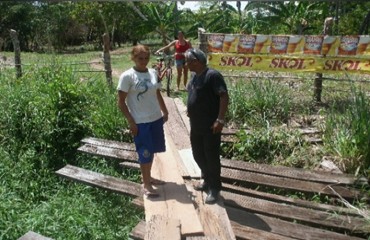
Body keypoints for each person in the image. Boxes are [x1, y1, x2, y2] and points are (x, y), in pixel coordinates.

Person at [117, 44, 169, 197]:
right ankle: (146, 184)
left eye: (146, 58)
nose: (144, 61)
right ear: (133, 58)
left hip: (155, 118)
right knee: (144, 152)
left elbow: (157, 93)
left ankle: (148, 177)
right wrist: (131, 122)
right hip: (140, 121)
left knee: (151, 150)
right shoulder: (127, 76)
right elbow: (121, 102)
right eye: (140, 58)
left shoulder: (153, 73)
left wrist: (164, 111)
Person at [184, 48, 229, 204]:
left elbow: (223, 96)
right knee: (198, 155)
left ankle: (215, 188)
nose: (186, 64)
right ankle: (207, 180)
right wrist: (190, 108)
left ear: (196, 61)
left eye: (188, 61)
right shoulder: (195, 77)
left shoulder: (213, 76)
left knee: (211, 157)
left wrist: (220, 119)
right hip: (196, 125)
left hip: (211, 126)